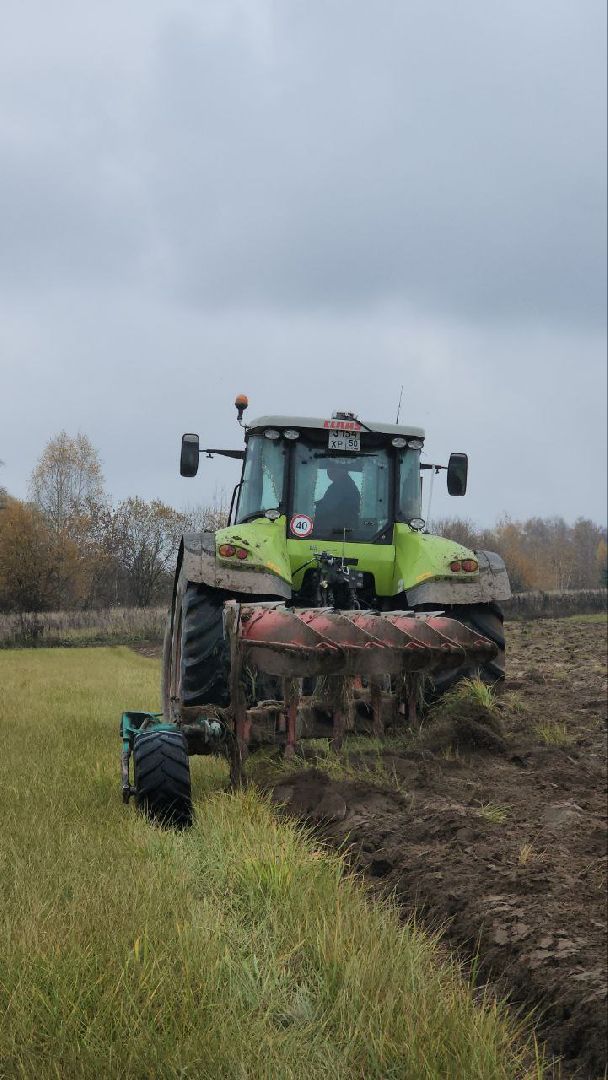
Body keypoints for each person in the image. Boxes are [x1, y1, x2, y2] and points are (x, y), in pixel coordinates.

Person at [314, 460, 360, 535]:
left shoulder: (341, 486)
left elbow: (325, 508)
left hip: (336, 533)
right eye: (329, 467)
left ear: (344, 470)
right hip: (340, 531)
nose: (330, 471)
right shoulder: (346, 485)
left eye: (334, 468)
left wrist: (311, 513)